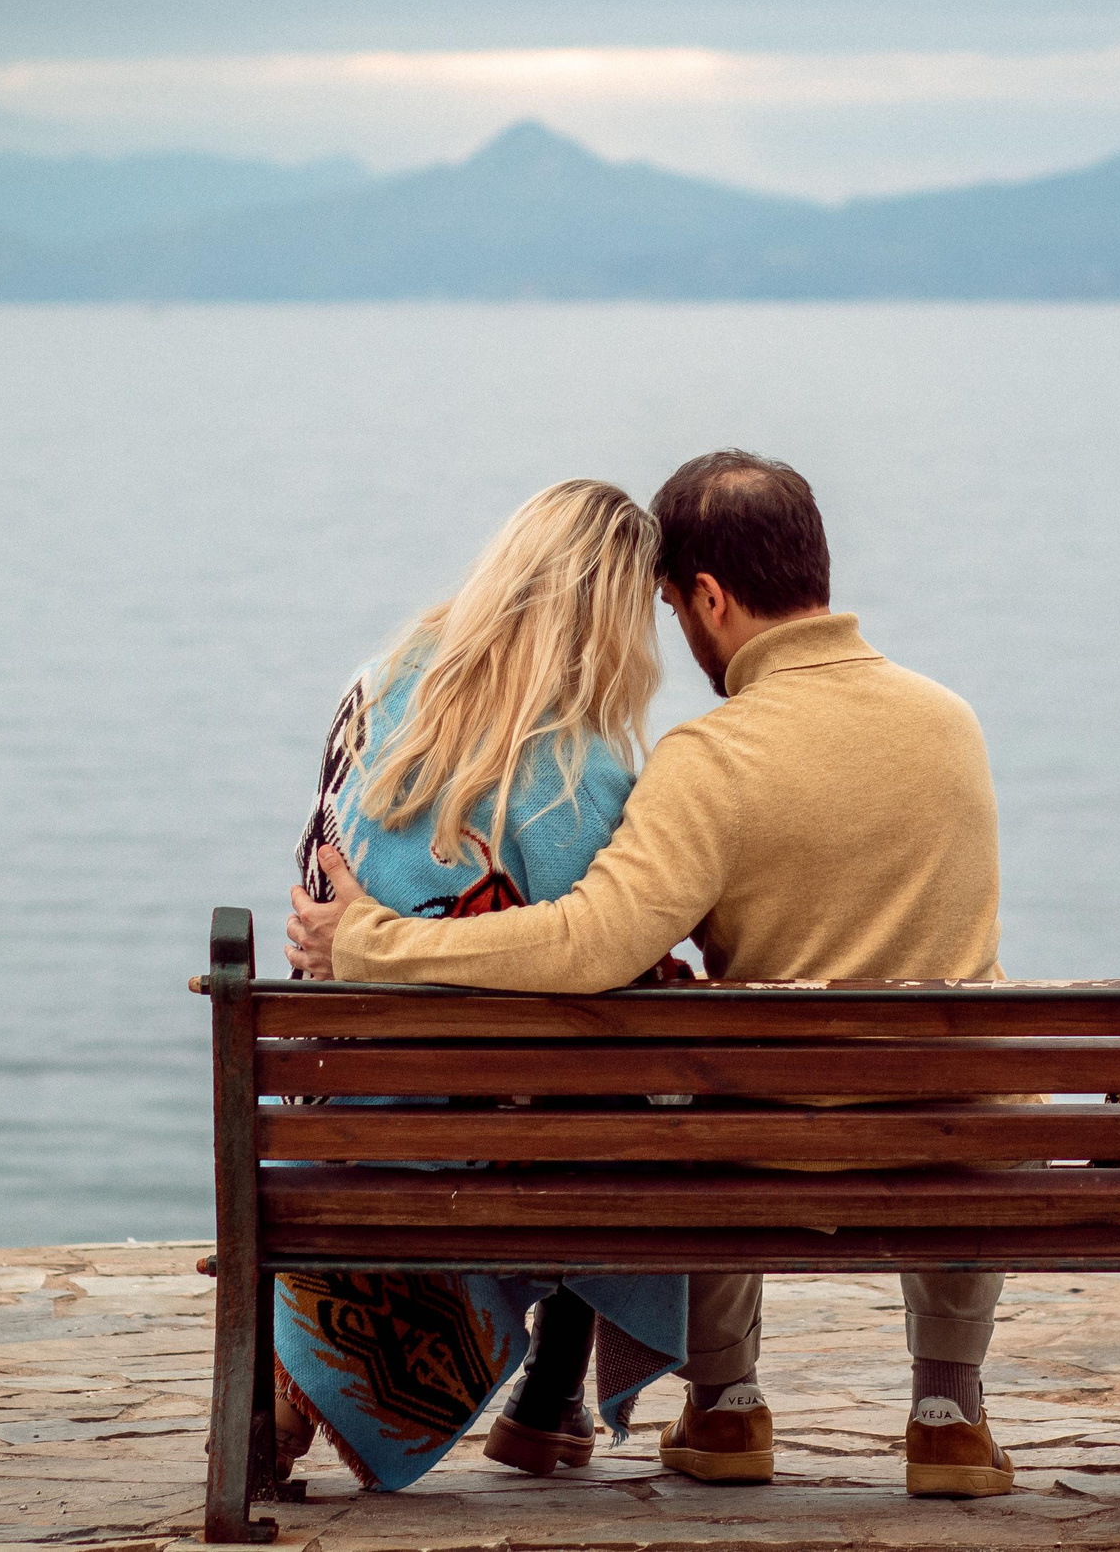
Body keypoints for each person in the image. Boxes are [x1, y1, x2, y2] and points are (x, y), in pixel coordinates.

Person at [288, 450, 1017, 1499]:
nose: (674, 632)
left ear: (711, 599)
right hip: (949, 1137)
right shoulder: (951, 724)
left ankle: (724, 1409)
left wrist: (373, 946)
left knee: (684, 1094)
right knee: (959, 1074)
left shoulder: (712, 759)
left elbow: (592, 943)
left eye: (676, 607)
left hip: (766, 1150)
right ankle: (948, 1414)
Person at [272, 478, 689, 1493]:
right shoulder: (584, 774)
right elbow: (594, 954)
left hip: (340, 1102)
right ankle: (549, 1395)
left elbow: (318, 870)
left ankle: (310, 1380)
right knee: (640, 1067)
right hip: (495, 1130)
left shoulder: (372, 691)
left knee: (547, 1065)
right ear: (611, 616)